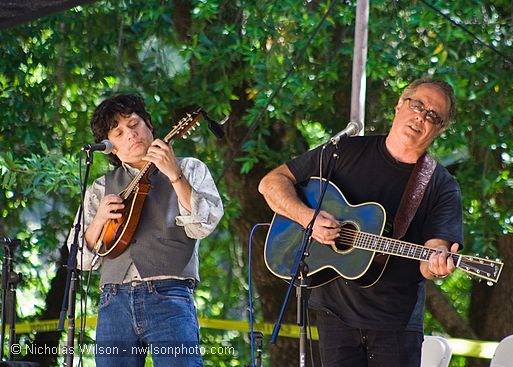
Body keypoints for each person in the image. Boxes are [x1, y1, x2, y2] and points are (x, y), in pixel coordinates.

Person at [258, 78, 462, 367]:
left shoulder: (441, 185)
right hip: (334, 314)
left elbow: (435, 248)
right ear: (399, 105)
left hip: (395, 323)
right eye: (417, 105)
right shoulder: (344, 151)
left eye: (432, 115)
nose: (421, 116)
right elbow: (271, 183)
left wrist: (437, 264)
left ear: (440, 128)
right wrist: (308, 219)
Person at [69, 93, 223, 367]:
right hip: (113, 301)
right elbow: (79, 259)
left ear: (149, 125)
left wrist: (174, 175)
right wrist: (99, 220)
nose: (130, 134)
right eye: (118, 132)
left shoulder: (189, 168)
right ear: (111, 148)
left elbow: (204, 224)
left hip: (170, 296)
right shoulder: (101, 188)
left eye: (134, 123)